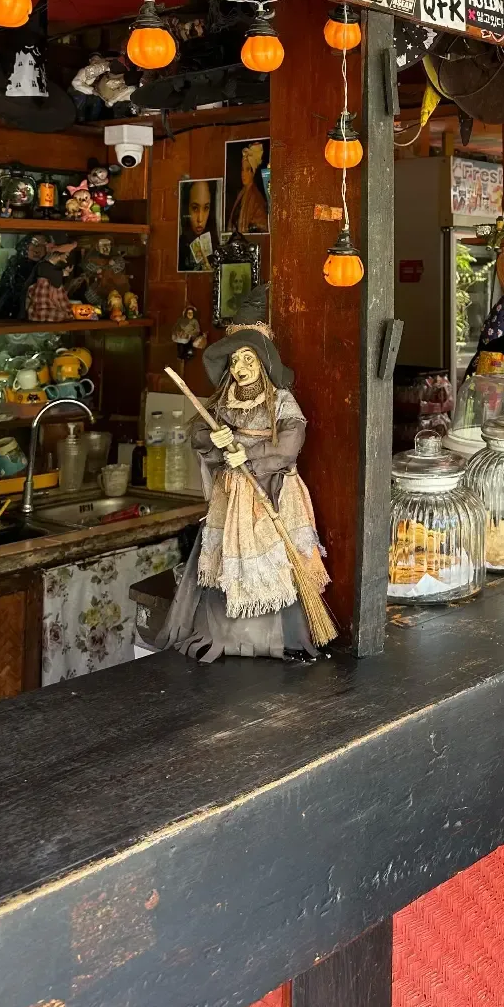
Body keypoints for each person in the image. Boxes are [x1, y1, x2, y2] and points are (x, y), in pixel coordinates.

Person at [160, 288, 333, 661]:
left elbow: (290, 442)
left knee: (273, 558)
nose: (240, 366)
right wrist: (215, 438)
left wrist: (249, 454)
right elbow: (199, 432)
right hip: (232, 495)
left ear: (263, 361)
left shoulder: (281, 401)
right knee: (229, 560)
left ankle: (277, 638)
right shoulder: (225, 400)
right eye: (235, 359)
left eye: (248, 358)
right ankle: (230, 636)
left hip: (270, 490)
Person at [226, 141, 269, 234]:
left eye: (247, 169)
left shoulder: (256, 198)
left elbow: (261, 229)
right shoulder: (241, 194)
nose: (243, 174)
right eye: (242, 169)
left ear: (253, 173)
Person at [178, 178, 219, 270]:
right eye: (195, 208)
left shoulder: (217, 247)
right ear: (186, 208)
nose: (200, 219)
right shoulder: (179, 247)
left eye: (206, 208)